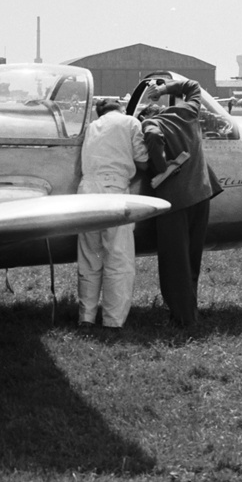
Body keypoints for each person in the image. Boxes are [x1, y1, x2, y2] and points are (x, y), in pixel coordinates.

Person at [140, 77, 224, 328]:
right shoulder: (187, 112)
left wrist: (161, 167)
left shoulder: (151, 123)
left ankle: (184, 319)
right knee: (191, 259)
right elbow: (193, 87)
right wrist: (163, 89)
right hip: (201, 194)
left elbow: (153, 138)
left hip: (173, 202)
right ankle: (191, 308)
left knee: (174, 261)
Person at [76, 98, 148, 330]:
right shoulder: (130, 122)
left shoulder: (91, 127)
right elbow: (144, 161)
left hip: (86, 191)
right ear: (121, 108)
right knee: (118, 257)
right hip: (114, 189)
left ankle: (86, 317)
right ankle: (113, 322)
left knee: (90, 256)